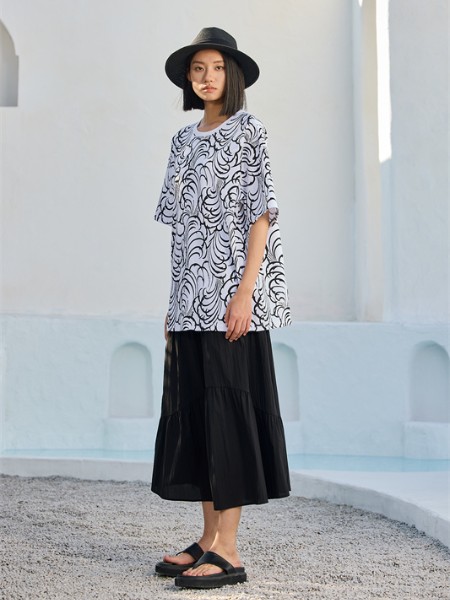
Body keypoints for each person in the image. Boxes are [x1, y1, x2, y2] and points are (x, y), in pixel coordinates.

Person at [151, 27, 291, 590]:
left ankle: (228, 549)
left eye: (215, 68)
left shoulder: (250, 130)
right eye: (197, 69)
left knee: (228, 417)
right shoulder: (181, 141)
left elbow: (261, 215)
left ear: (231, 75)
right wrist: (174, 303)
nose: (206, 77)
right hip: (189, 301)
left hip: (233, 301)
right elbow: (181, 229)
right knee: (199, 419)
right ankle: (208, 538)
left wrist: (244, 293)